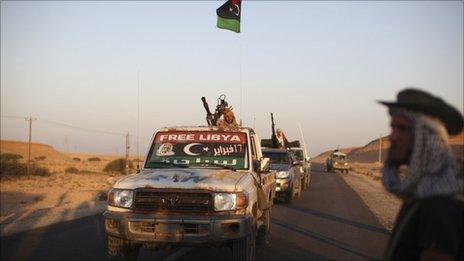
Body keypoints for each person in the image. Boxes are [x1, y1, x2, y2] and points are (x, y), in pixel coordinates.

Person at [378, 88, 464, 260]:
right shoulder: (427, 189)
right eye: (393, 127)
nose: (392, 137)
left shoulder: (440, 204)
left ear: (427, 137)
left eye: (402, 129)